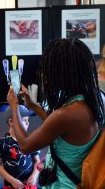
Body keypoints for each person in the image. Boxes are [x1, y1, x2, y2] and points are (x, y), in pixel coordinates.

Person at [6, 38, 104, 188]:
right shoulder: (93, 100)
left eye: (49, 70)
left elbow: (25, 146)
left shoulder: (67, 113)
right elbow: (61, 128)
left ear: (61, 72)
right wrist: (33, 106)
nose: (46, 75)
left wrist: (14, 107)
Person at [0, 105, 40, 189]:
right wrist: (12, 180)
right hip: (11, 186)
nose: (28, 123)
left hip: (29, 186)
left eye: (28, 120)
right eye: (24, 120)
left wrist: (34, 176)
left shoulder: (31, 140)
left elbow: (37, 161)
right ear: (11, 122)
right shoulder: (2, 143)